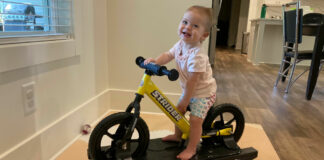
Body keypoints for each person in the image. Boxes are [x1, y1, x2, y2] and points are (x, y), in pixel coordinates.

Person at [144, 5, 217, 160]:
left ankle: (192, 148)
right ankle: (178, 136)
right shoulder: (181, 44)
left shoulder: (198, 56)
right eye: (185, 22)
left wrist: (185, 100)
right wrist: (155, 61)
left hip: (203, 93)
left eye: (195, 25)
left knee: (195, 120)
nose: (188, 27)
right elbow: (168, 55)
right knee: (177, 111)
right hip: (190, 90)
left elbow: (192, 82)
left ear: (204, 35)